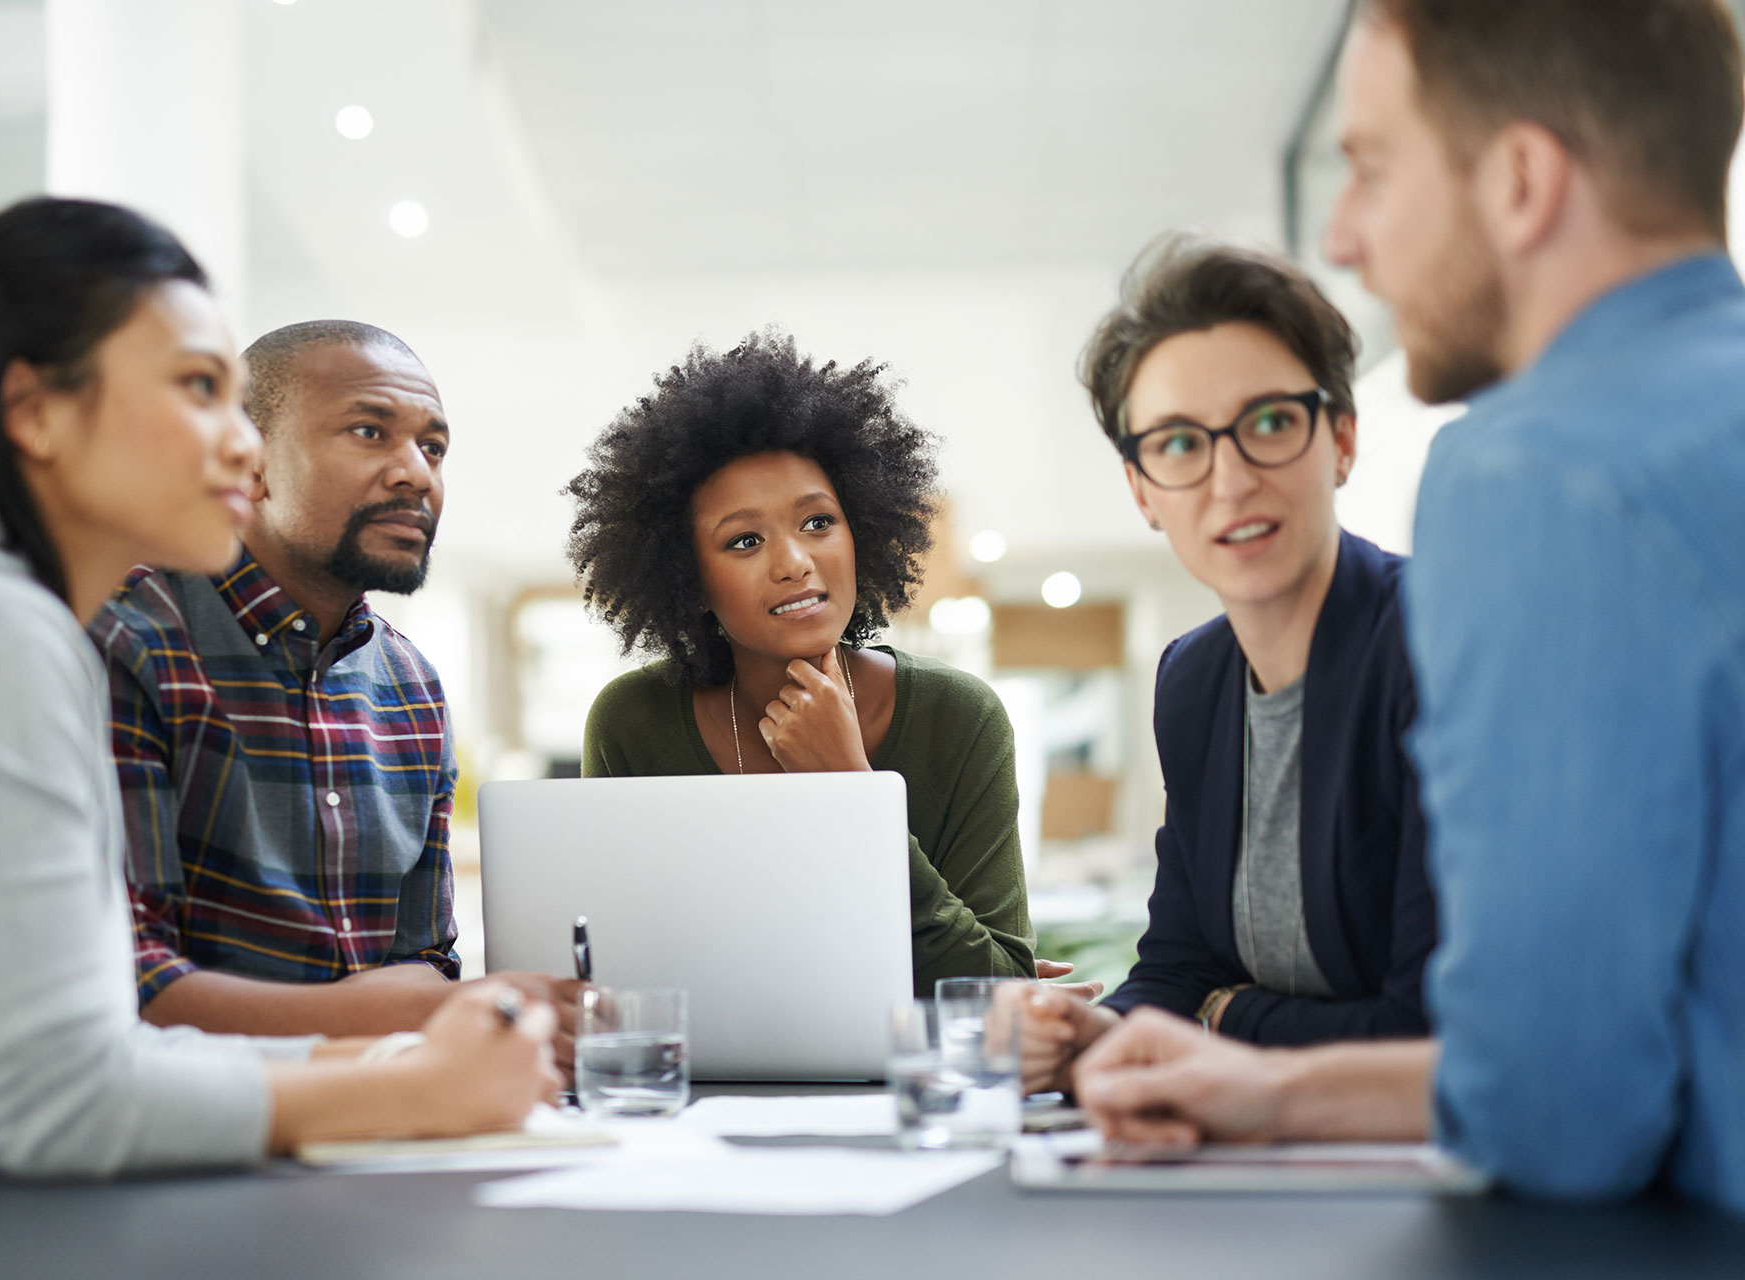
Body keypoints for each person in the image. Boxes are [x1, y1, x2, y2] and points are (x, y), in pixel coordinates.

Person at [1072, 0, 1745, 1214]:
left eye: (1372, 169)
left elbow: (1561, 1110)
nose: (1347, 233)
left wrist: (1246, 1046)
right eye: (1176, 445)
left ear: (1524, 181)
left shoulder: (1541, 472)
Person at [0, 197, 558, 1220]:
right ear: (33, 409)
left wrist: (408, 1051)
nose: (240, 447)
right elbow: (61, 1096)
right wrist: (409, 1087)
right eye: (200, 389)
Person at [88, 320, 579, 1073]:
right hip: (189, 1131)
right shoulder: (129, 639)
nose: (415, 472)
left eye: (433, 447)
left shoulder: (412, 688)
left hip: (384, 1122)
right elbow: (121, 983)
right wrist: (404, 1014)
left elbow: (423, 965)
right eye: (369, 431)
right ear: (249, 464)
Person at [1013, 239, 1434, 1095]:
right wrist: (1095, 1031)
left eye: (1270, 423)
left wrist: (1225, 1016)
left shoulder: (1434, 640)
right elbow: (1177, 963)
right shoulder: (1193, 682)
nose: (1230, 480)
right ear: (1142, 491)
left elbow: (1426, 1024)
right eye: (1178, 444)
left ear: (1341, 439)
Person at [565, 332, 1036, 995]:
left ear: (861, 533)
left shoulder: (958, 718)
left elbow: (996, 993)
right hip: (700, 1090)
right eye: (745, 539)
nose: (793, 561)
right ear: (690, 579)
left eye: (817, 522)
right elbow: (615, 979)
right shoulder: (632, 723)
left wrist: (852, 789)